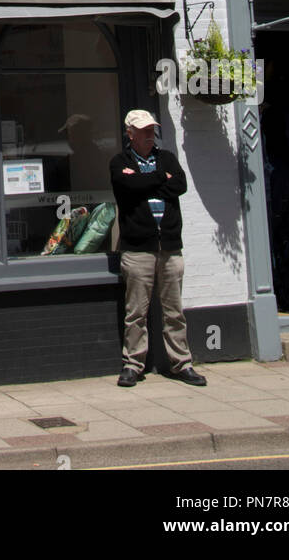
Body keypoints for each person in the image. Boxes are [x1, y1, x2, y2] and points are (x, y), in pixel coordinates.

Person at [110, 110, 206, 388]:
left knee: (174, 310)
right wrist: (158, 180)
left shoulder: (167, 158)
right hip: (138, 248)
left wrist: (145, 181)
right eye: (143, 130)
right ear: (130, 133)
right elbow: (126, 187)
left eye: (152, 129)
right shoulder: (119, 162)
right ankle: (133, 364)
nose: (149, 134)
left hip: (169, 246)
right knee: (136, 311)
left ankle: (182, 363)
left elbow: (180, 184)